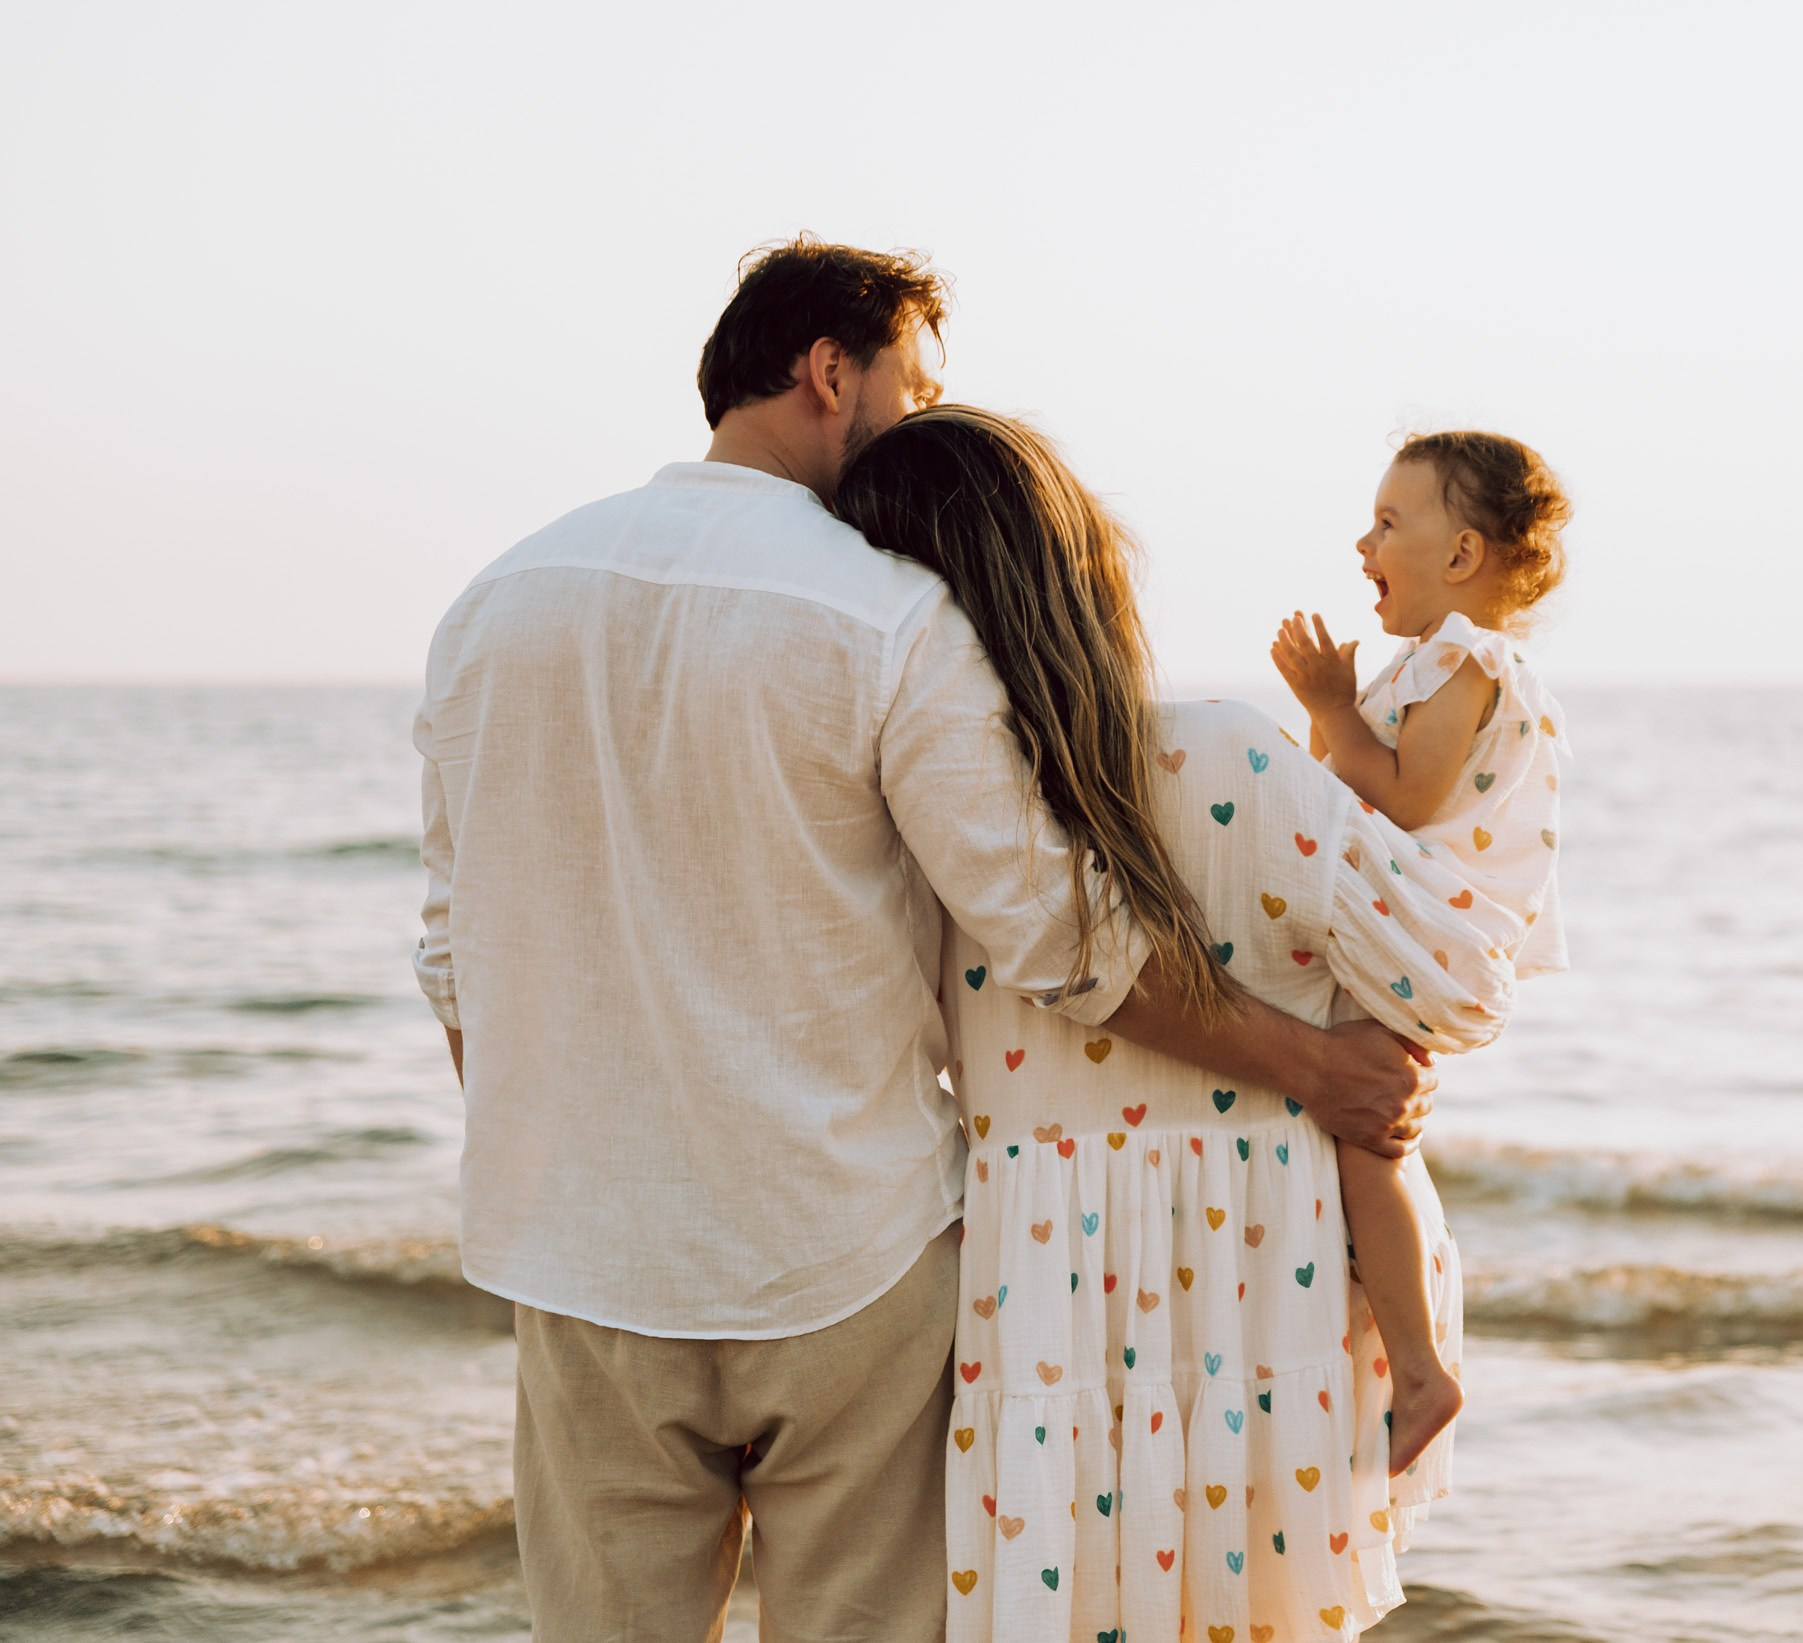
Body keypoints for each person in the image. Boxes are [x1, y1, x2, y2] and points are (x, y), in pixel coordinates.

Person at [410, 238, 1438, 1641]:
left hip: (586, 1265)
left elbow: (453, 957)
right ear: (830, 372)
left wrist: (570, 1186)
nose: (925, 417)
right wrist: (1313, 1066)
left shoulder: (493, 603)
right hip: (848, 1254)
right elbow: (1055, 935)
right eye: (916, 383)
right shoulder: (887, 614)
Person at [834, 407, 1529, 1643]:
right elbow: (1465, 983)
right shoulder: (1226, 758)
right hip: (1257, 1268)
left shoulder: (910, 817)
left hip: (1035, 1282)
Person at [1269, 432, 1573, 1475]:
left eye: (1388, 524)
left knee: (1368, 1139)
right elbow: (1341, 785)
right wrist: (1330, 717)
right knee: (1354, 1124)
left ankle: (1420, 1369)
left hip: (1422, 924)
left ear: (1462, 554)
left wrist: (1327, 704)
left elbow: (1400, 798)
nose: (1364, 545)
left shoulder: (1465, 661)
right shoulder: (1429, 663)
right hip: (1404, 913)